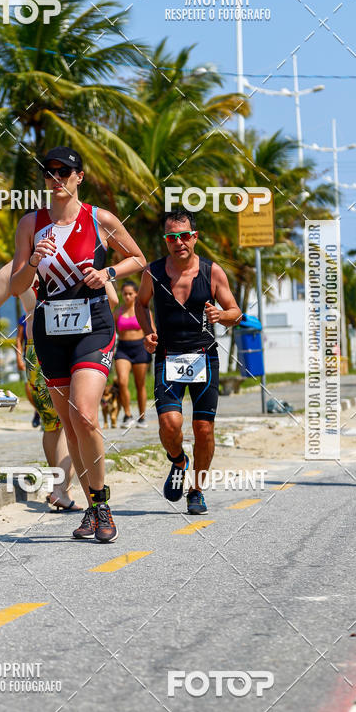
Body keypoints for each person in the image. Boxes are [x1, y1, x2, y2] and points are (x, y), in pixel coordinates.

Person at [0, 147, 146, 543]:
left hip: (92, 327)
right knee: (67, 424)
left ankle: (101, 505)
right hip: (49, 335)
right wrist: (32, 260)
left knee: (85, 416)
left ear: (79, 176)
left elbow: (138, 258)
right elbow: (13, 288)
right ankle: (88, 507)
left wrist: (109, 273)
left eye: (64, 172)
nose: (56, 178)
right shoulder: (31, 224)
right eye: (49, 173)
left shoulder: (99, 220)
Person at [135, 208, 241, 515]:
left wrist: (223, 316)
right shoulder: (153, 272)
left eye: (184, 236)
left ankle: (196, 490)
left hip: (204, 356)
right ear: (166, 240)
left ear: (194, 237)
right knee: (170, 424)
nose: (179, 242)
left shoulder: (212, 272)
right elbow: (142, 305)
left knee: (204, 429)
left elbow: (235, 311)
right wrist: (148, 332)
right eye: (172, 237)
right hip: (167, 355)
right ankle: (179, 462)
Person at [17, 286, 80, 510]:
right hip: (67, 341)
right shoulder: (72, 256)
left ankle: (60, 487)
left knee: (51, 424)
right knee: (71, 420)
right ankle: (61, 489)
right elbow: (111, 298)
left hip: (34, 347)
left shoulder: (16, 267)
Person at [114, 280, 151, 427]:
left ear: (136, 294)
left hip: (140, 348)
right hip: (123, 348)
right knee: (122, 382)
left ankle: (142, 417)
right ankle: (127, 415)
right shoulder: (117, 312)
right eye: (125, 294)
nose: (128, 296)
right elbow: (110, 333)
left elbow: (151, 329)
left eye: (130, 294)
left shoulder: (143, 310)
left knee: (140, 384)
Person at [15, 309, 40, 427]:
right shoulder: (24, 318)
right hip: (29, 357)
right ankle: (38, 410)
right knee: (29, 388)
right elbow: (19, 340)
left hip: (45, 356)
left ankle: (46, 414)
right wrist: (19, 358)